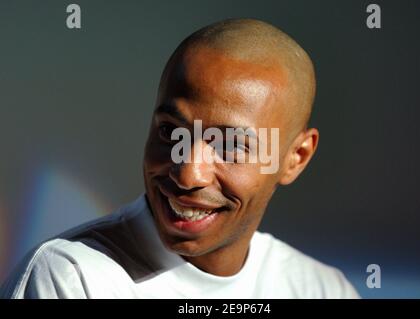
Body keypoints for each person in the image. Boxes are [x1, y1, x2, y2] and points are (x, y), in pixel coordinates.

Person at [0, 18, 359, 298]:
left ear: (296, 157)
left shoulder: (323, 290)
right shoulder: (74, 277)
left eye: (230, 145)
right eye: (172, 132)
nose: (188, 174)